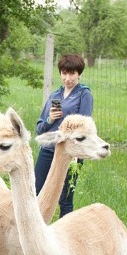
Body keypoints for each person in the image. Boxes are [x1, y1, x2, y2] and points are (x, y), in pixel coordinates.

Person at [34, 53, 94, 217]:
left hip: (70, 153)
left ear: (79, 74)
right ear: (60, 73)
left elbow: (85, 126)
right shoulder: (54, 96)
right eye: (64, 73)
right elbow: (40, 129)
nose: (68, 78)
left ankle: (66, 236)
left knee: (65, 199)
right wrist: (49, 119)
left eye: (72, 73)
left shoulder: (84, 94)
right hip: (48, 150)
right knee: (36, 192)